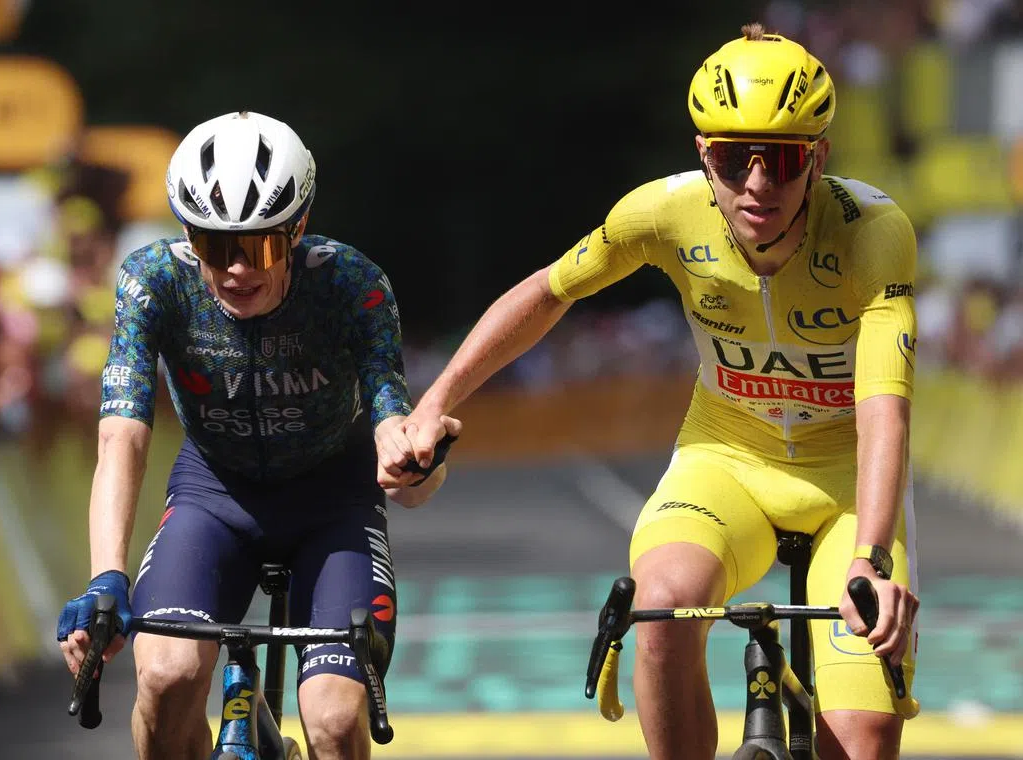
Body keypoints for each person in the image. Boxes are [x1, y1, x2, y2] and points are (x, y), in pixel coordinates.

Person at [379, 23, 920, 760]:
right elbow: (547, 293)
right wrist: (435, 401)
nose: (758, 184)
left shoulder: (873, 232)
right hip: (727, 459)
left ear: (819, 156)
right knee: (661, 609)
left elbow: (886, 404)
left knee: (862, 736)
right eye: (733, 160)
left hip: (848, 480)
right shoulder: (663, 213)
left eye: (785, 161)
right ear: (704, 154)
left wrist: (873, 560)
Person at [56, 110, 458, 760]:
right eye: (215, 246)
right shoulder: (152, 281)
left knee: (330, 720)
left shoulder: (351, 285)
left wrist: (418, 466)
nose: (238, 270)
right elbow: (121, 436)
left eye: (263, 246)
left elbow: (399, 442)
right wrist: (106, 576)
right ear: (187, 234)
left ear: (298, 228)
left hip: (335, 503)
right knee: (165, 678)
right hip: (215, 494)